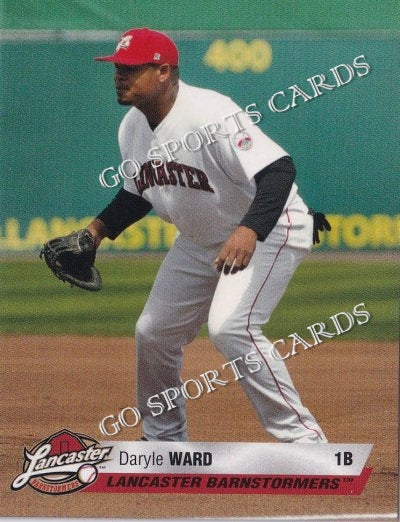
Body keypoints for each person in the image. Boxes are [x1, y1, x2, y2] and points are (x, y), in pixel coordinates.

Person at [88, 27, 328, 443]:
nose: (119, 75)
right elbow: (137, 193)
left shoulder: (211, 113)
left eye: (130, 68)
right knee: (153, 331)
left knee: (231, 327)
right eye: (117, 68)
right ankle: (163, 439)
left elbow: (278, 170)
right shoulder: (132, 128)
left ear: (163, 71)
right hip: (201, 241)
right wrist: (94, 232)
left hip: (268, 227)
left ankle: (305, 441)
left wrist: (249, 229)